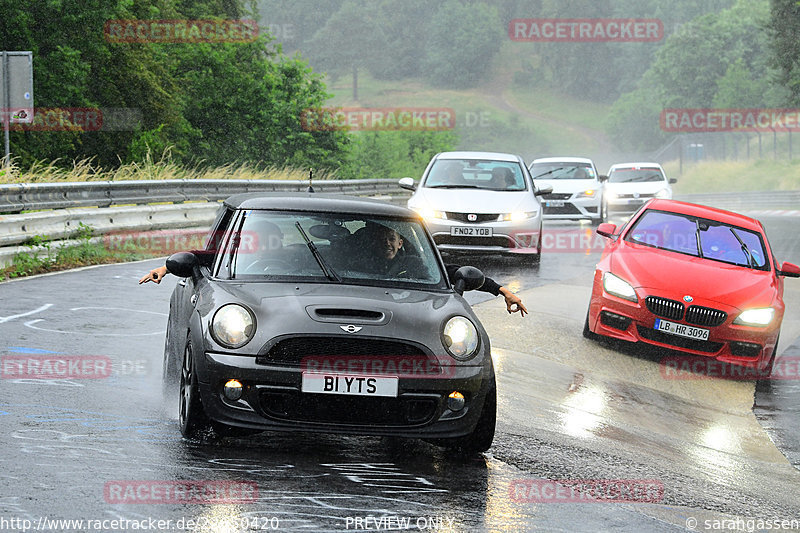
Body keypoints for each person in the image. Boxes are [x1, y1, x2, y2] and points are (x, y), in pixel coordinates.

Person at [141, 222, 528, 317]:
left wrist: (499, 290)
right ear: (368, 245)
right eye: (382, 242)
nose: (391, 246)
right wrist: (166, 266)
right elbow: (210, 257)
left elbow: (455, 270)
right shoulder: (318, 262)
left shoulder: (415, 265)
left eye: (395, 241)